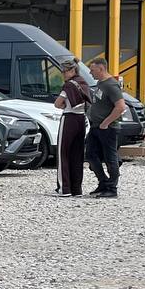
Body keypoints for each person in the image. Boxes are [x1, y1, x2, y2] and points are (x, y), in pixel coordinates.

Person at [85, 57, 126, 198]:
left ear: (101, 68)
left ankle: (112, 188)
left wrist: (106, 123)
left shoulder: (111, 85)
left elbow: (120, 106)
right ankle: (103, 182)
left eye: (92, 70)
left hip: (108, 128)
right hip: (95, 126)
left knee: (110, 158)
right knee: (90, 154)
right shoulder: (100, 84)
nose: (90, 73)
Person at [52, 58, 91, 197]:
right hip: (81, 119)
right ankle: (77, 189)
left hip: (69, 118)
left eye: (65, 71)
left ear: (72, 70)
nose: (63, 74)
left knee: (63, 153)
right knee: (77, 154)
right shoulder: (83, 82)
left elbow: (57, 103)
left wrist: (63, 105)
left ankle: (65, 188)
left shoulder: (68, 85)